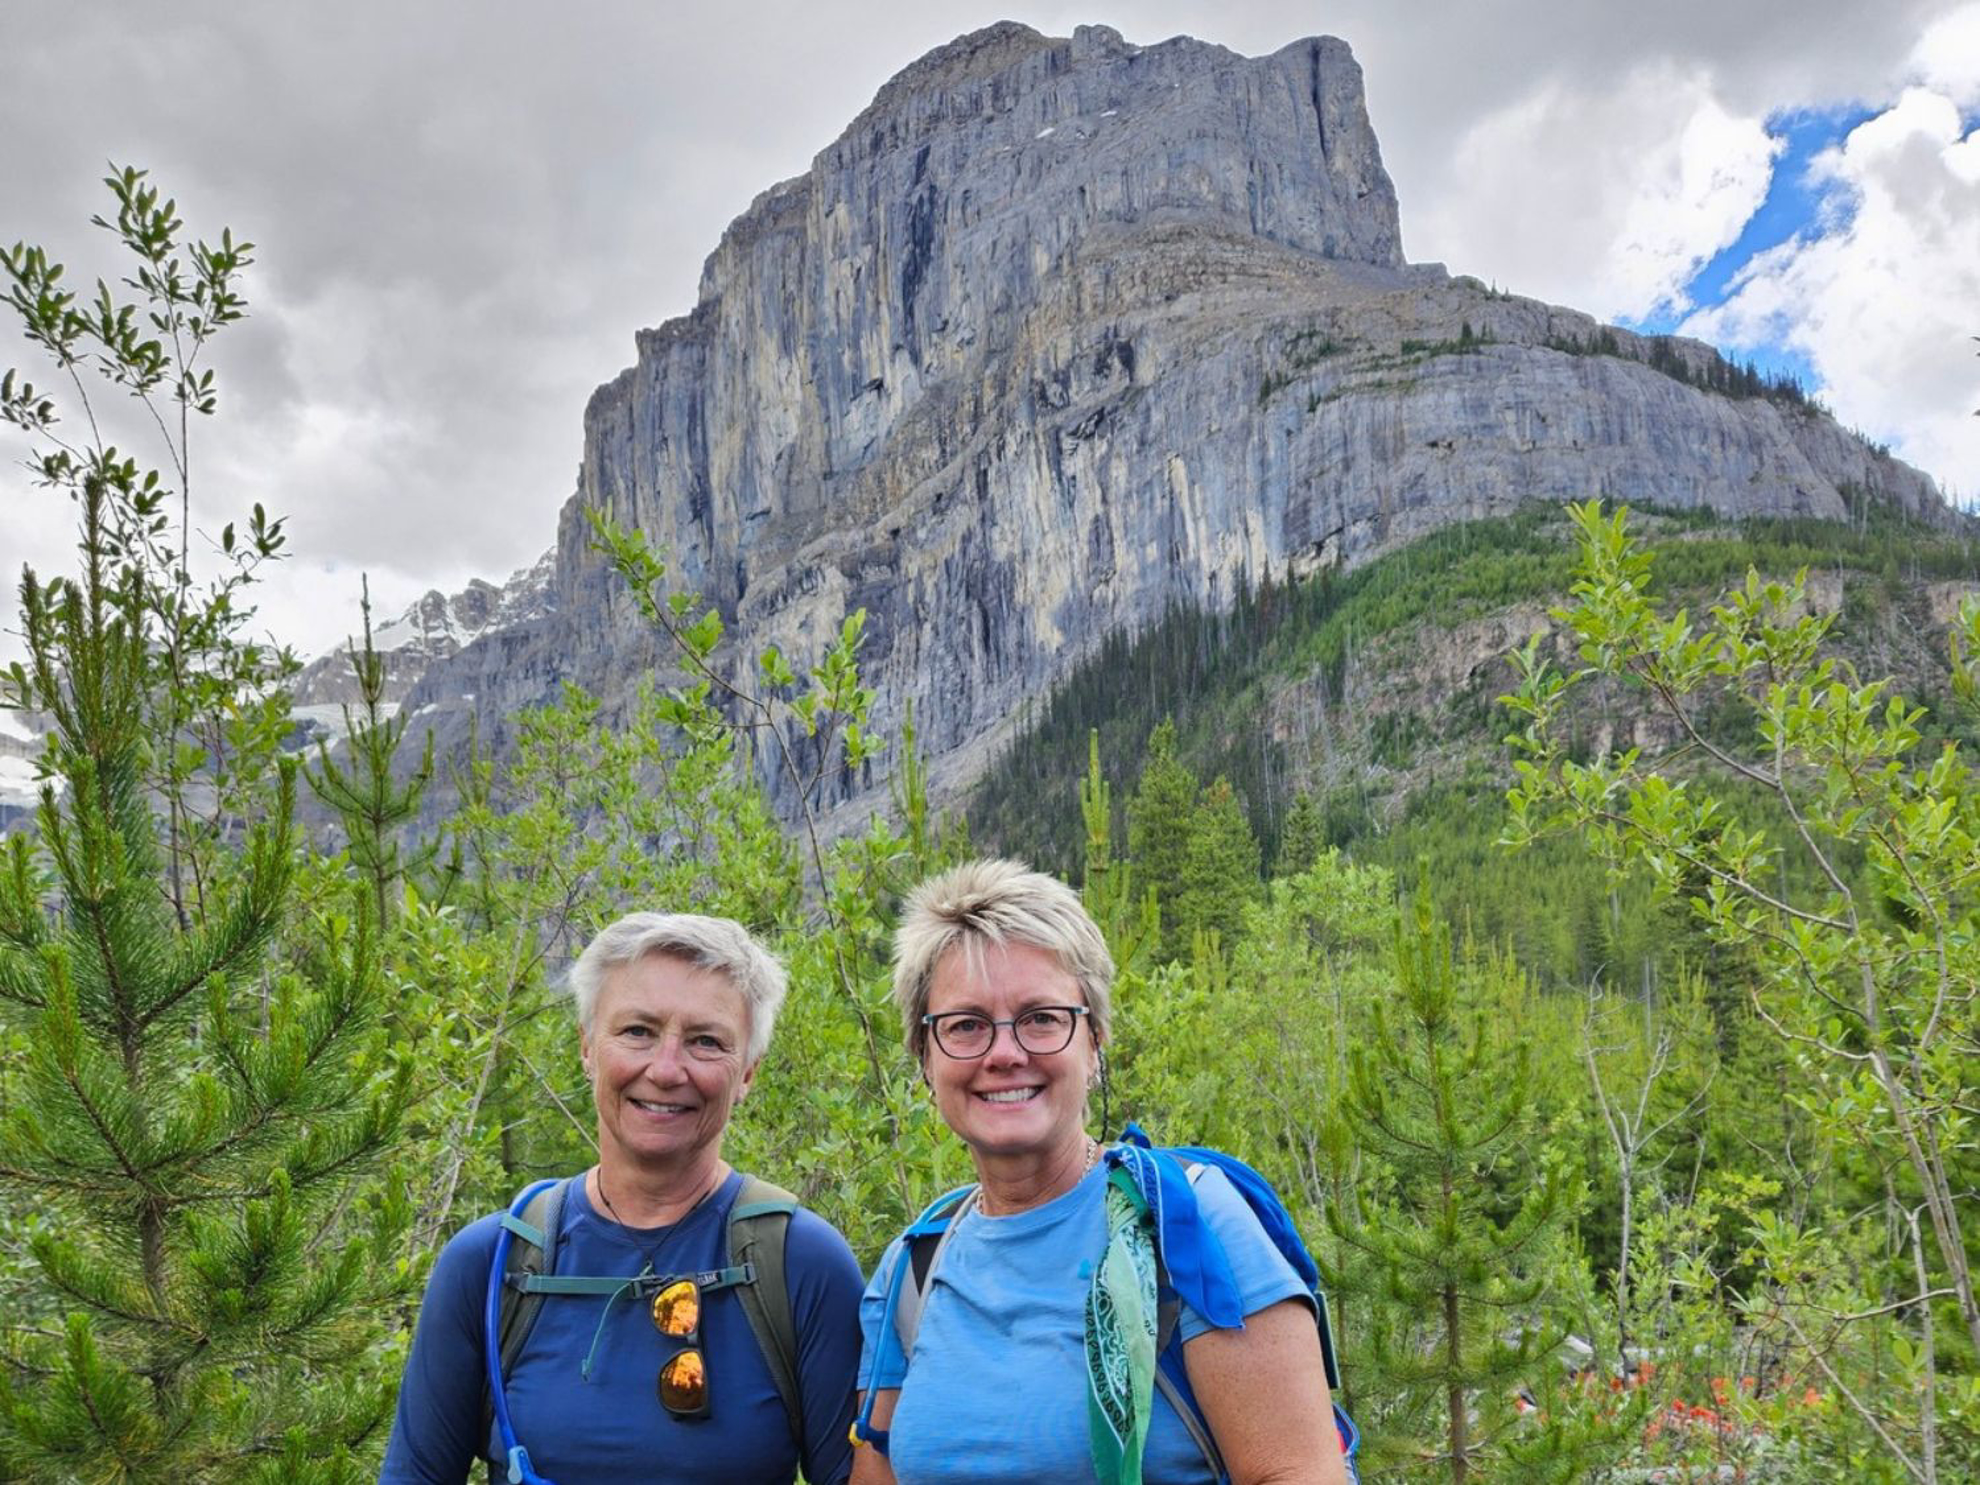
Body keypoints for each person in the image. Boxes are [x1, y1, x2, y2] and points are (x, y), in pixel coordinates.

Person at [852, 860, 1349, 1485]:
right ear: (924, 1058)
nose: (1005, 1053)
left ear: (1096, 1040)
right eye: (965, 1025)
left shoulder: (1187, 1225)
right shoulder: (912, 1269)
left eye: (1041, 1018)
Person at [381, 912, 864, 1484]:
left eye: (706, 1041)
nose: (665, 1069)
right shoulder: (491, 1266)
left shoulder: (801, 1264)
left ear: (748, 1074)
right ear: (588, 1047)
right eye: (637, 1031)